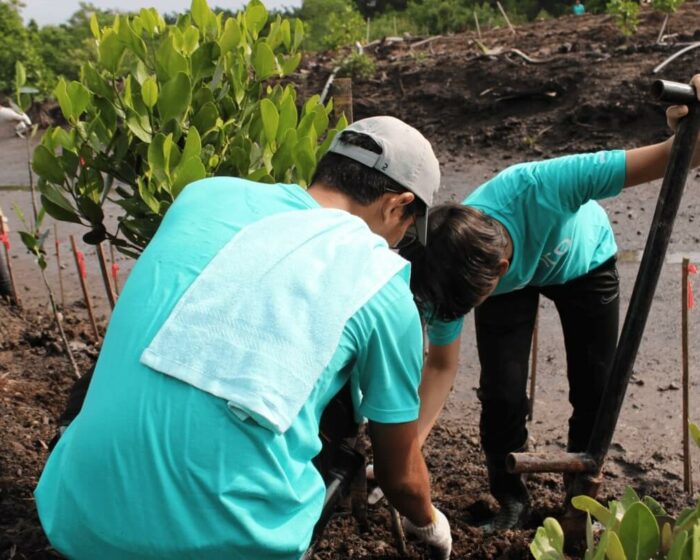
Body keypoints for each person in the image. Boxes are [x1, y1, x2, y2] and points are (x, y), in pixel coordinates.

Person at [34, 116, 453, 559]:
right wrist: (431, 525)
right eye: (407, 226)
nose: (398, 241)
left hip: (76, 516)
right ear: (396, 205)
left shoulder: (202, 194)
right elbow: (400, 477)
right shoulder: (380, 283)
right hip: (228, 544)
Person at [405, 75, 700, 532]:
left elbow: (673, 157)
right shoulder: (448, 269)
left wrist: (690, 127)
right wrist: (407, 450)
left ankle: (580, 499)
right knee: (501, 393)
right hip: (501, 280)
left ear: (501, 270)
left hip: (585, 263)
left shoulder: (545, 185)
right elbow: (442, 368)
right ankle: (511, 500)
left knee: (595, 386)